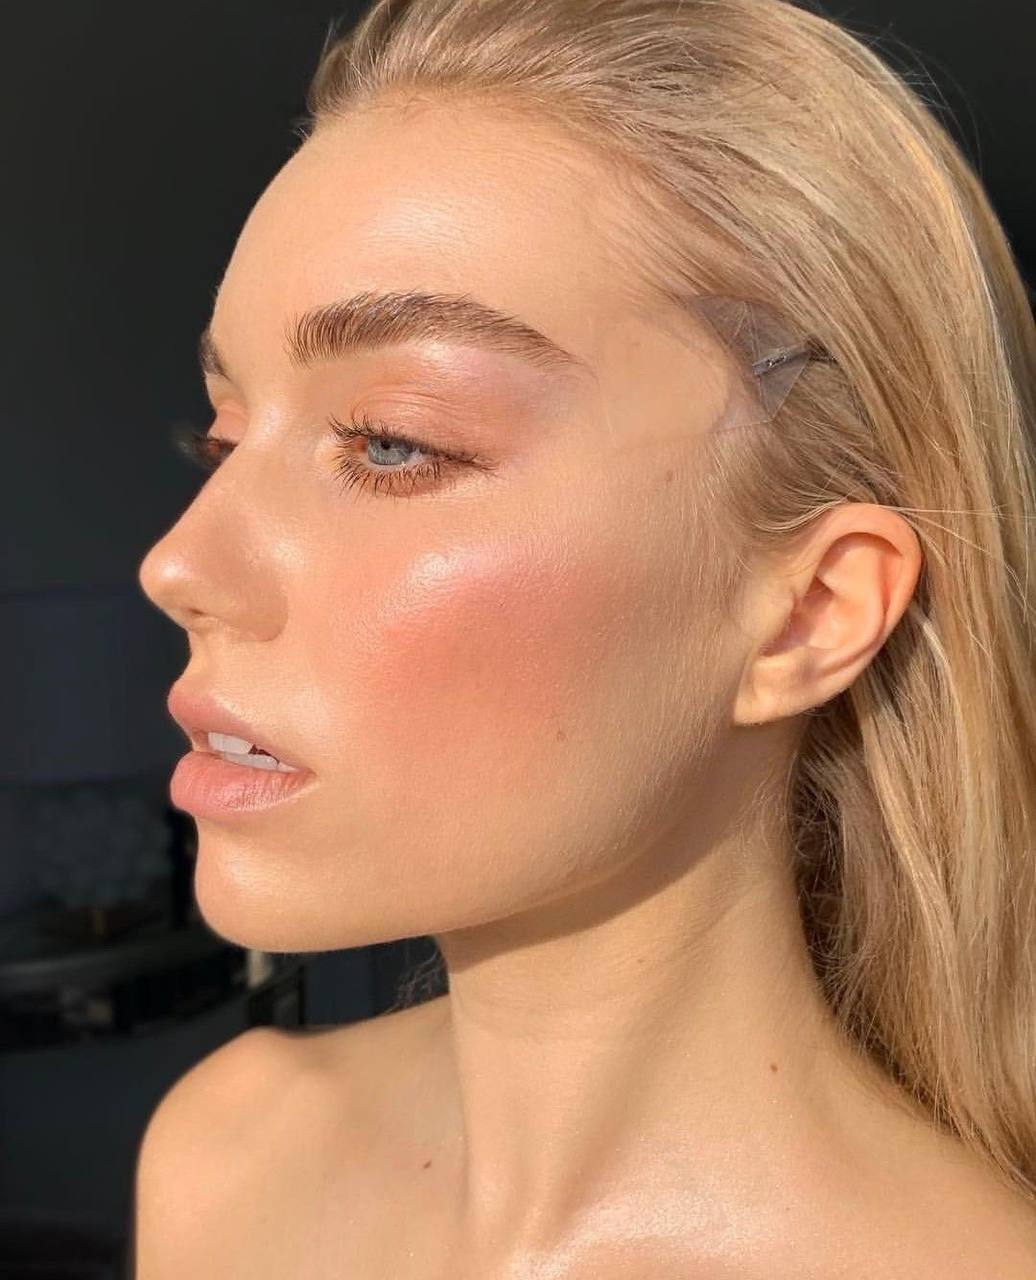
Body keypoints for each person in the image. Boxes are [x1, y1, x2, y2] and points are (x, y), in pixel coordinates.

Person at [132, 0, 1036, 1275]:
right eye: (224, 438)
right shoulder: (228, 1158)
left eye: (392, 441)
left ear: (814, 612)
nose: (177, 563)